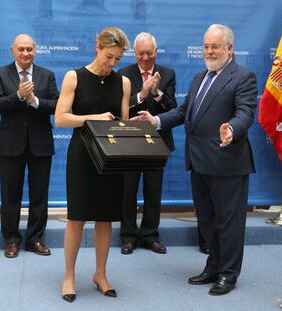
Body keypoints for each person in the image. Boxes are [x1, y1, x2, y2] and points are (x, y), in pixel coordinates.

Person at [131, 24, 257, 296]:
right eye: (206, 46)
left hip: (227, 162)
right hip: (199, 162)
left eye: (215, 46)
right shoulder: (200, 77)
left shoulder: (243, 77)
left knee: (229, 221)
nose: (209, 51)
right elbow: (184, 112)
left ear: (230, 49)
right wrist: (155, 120)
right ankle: (213, 266)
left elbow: (246, 113)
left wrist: (232, 129)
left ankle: (228, 273)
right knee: (208, 220)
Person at [54, 26, 131, 303]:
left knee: (105, 217)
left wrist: (133, 127)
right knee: (77, 217)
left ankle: (100, 274)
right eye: (109, 56)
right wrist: (92, 118)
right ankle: (69, 276)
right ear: (97, 48)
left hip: (111, 157)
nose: (112, 64)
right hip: (82, 154)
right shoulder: (74, 76)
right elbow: (60, 118)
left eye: (118, 59)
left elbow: (121, 122)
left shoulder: (123, 82)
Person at [0, 34, 59, 258]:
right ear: (13, 51)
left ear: (35, 51)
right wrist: (19, 96)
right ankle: (11, 240)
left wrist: (35, 101)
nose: (26, 53)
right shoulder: (0, 74)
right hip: (10, 144)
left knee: (40, 194)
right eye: (21, 49)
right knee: (10, 194)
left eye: (30, 49)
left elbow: (58, 105)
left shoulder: (47, 75)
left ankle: (35, 239)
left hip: (41, 143)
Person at [118, 32, 177, 255]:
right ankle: (128, 237)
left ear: (156, 52)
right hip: (131, 141)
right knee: (128, 191)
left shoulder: (168, 74)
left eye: (149, 53)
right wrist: (141, 95)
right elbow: (120, 108)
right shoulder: (124, 74)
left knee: (154, 191)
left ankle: (150, 236)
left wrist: (157, 92)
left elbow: (174, 109)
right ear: (134, 53)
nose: (145, 58)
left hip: (158, 142)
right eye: (140, 53)